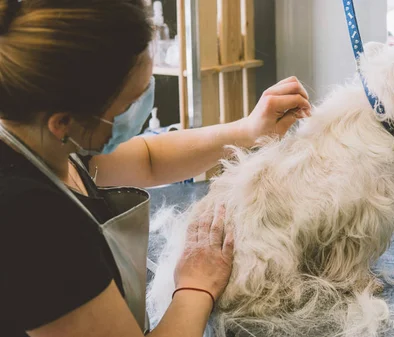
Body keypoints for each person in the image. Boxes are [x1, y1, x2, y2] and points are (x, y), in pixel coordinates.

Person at [0, 1, 311, 336]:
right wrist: (195, 286)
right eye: (130, 103)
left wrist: (248, 130)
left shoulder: (42, 136)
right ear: (63, 122)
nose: (143, 111)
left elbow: (148, 159)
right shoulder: (30, 222)